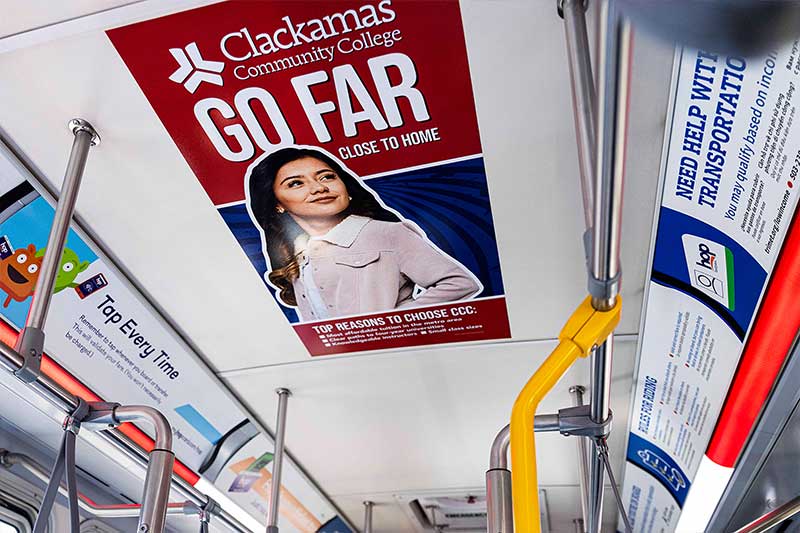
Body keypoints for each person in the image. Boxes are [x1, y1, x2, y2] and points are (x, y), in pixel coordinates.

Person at [247, 146, 482, 321]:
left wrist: (392, 325)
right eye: (295, 183)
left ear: (345, 187)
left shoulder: (386, 233)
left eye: (327, 176)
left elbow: (459, 283)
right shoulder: (297, 254)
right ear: (277, 204)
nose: (319, 188)